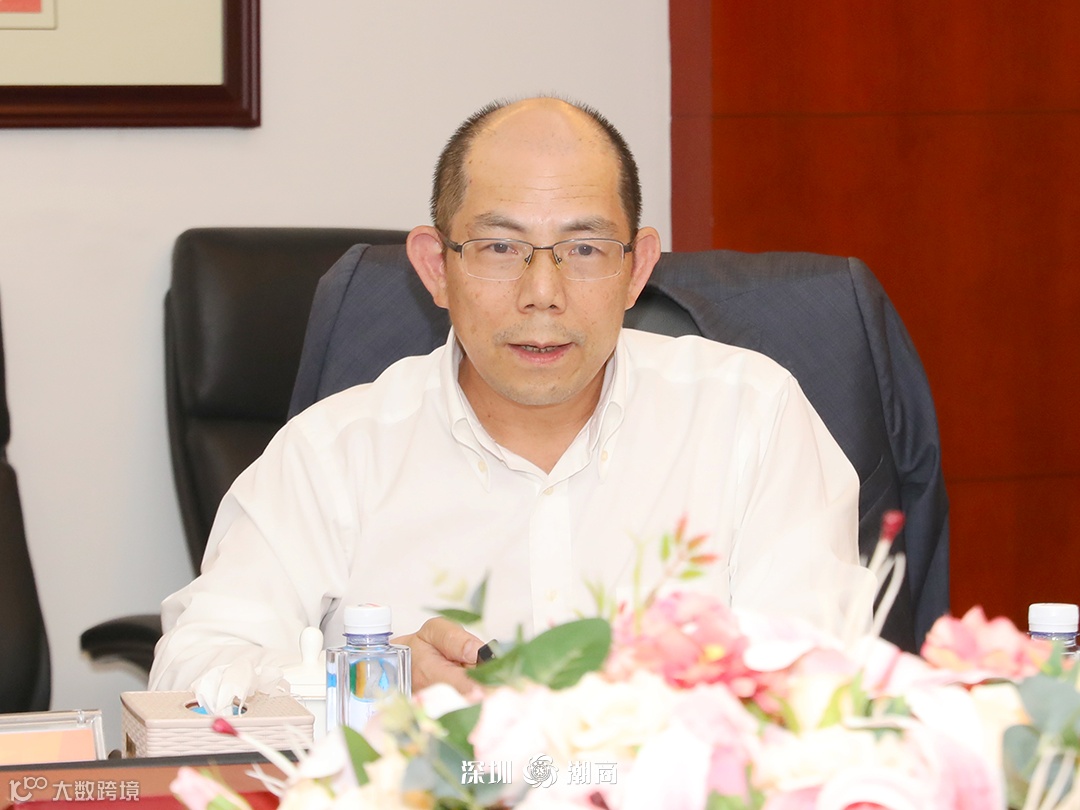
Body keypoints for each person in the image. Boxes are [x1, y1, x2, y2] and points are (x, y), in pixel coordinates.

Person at [150, 96, 876, 702]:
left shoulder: (750, 417)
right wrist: (371, 683)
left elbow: (817, 682)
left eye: (584, 249)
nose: (542, 294)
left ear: (637, 269)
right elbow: (194, 672)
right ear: (436, 268)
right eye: (500, 248)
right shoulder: (335, 452)